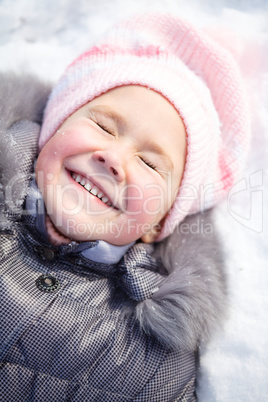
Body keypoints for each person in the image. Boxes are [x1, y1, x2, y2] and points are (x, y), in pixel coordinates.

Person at [0, 13, 250, 401]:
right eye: (103, 126)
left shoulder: (154, 355)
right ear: (53, 129)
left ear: (158, 223)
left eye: (151, 163)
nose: (113, 157)